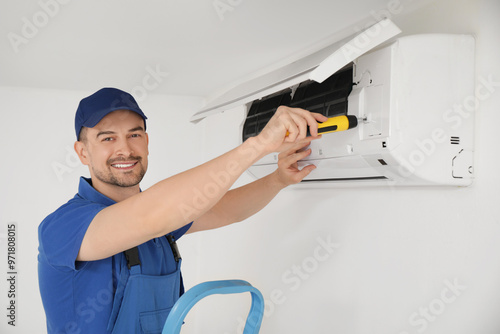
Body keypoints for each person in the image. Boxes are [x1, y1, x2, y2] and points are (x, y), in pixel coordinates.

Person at [37, 87, 327, 333]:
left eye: (134, 135)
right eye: (107, 138)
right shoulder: (63, 227)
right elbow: (147, 215)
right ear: (83, 152)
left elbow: (226, 209)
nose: (125, 149)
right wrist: (258, 145)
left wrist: (278, 179)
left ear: (147, 142)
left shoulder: (163, 226)